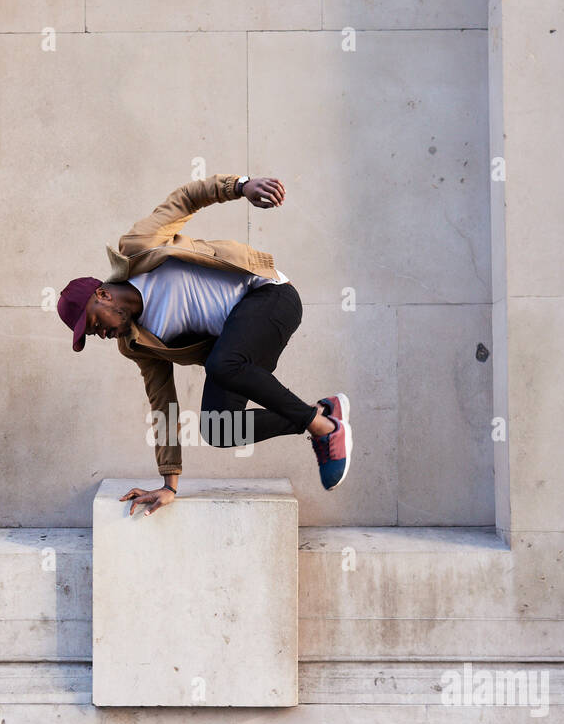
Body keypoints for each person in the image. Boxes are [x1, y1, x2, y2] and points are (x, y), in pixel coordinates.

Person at [56, 173, 351, 516]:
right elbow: (162, 403)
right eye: (93, 336)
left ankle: (324, 430)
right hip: (235, 343)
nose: (102, 335)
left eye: (95, 324)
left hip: (269, 295)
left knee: (222, 364)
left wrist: (241, 187)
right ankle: (321, 413)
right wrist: (169, 483)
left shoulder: (139, 246)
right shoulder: (136, 344)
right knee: (219, 429)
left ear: (103, 295)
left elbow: (186, 197)